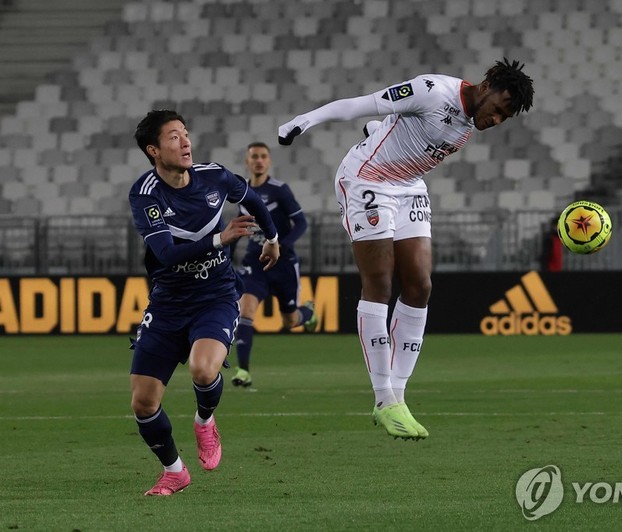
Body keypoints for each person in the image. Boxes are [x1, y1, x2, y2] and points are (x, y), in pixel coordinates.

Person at [278, 59, 534, 440]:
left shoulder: (469, 122)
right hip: (366, 179)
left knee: (420, 286)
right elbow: (361, 104)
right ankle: (384, 400)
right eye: (497, 110)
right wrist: (303, 121)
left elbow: (400, 134)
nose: (496, 121)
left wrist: (376, 131)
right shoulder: (431, 90)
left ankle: (398, 396)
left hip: (409, 188)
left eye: (504, 119)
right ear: (486, 86)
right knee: (379, 283)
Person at [128, 110, 280, 496]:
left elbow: (253, 200)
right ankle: (175, 471)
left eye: (185, 133)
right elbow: (164, 253)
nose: (184, 142)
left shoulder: (214, 176)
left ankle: (204, 421)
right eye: (173, 137)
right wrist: (220, 239)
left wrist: (273, 238)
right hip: (167, 304)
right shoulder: (145, 194)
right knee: (143, 403)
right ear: (154, 150)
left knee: (202, 368)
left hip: (215, 296)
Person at [231, 142, 318, 388]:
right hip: (255, 263)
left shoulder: (280, 190)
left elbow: (301, 223)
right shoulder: (242, 191)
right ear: (247, 162)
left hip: (283, 265)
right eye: (254, 157)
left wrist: (283, 244)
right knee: (245, 311)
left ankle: (309, 313)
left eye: (263, 156)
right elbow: (242, 224)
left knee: (290, 321)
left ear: (269, 161)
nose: (259, 160)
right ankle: (243, 371)